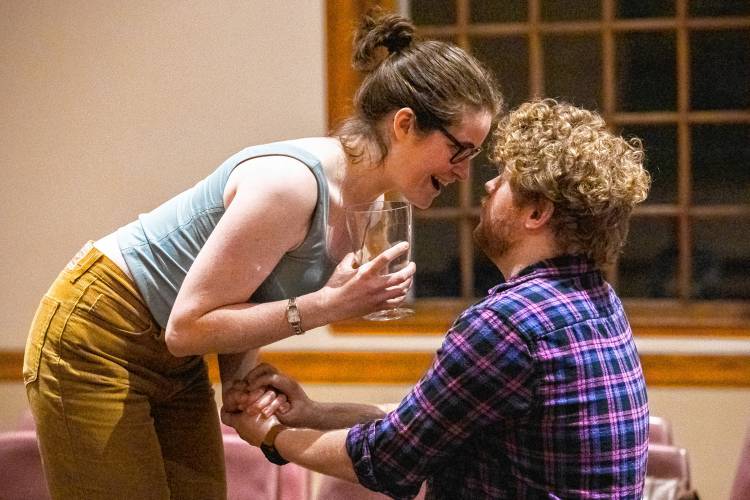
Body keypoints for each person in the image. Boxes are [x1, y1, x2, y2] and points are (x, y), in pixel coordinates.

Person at [22, 10, 502, 500]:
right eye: (459, 150)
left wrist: (242, 383)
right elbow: (187, 325)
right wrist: (329, 306)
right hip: (97, 330)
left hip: (175, 357)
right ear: (404, 124)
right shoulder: (291, 185)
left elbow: (240, 294)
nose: (464, 172)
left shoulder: (370, 202)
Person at [222, 99, 652, 499]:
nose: (488, 183)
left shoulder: (508, 324)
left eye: (506, 179)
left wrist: (271, 436)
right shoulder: (600, 303)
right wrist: (313, 413)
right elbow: (432, 422)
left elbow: (389, 461)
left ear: (536, 213)